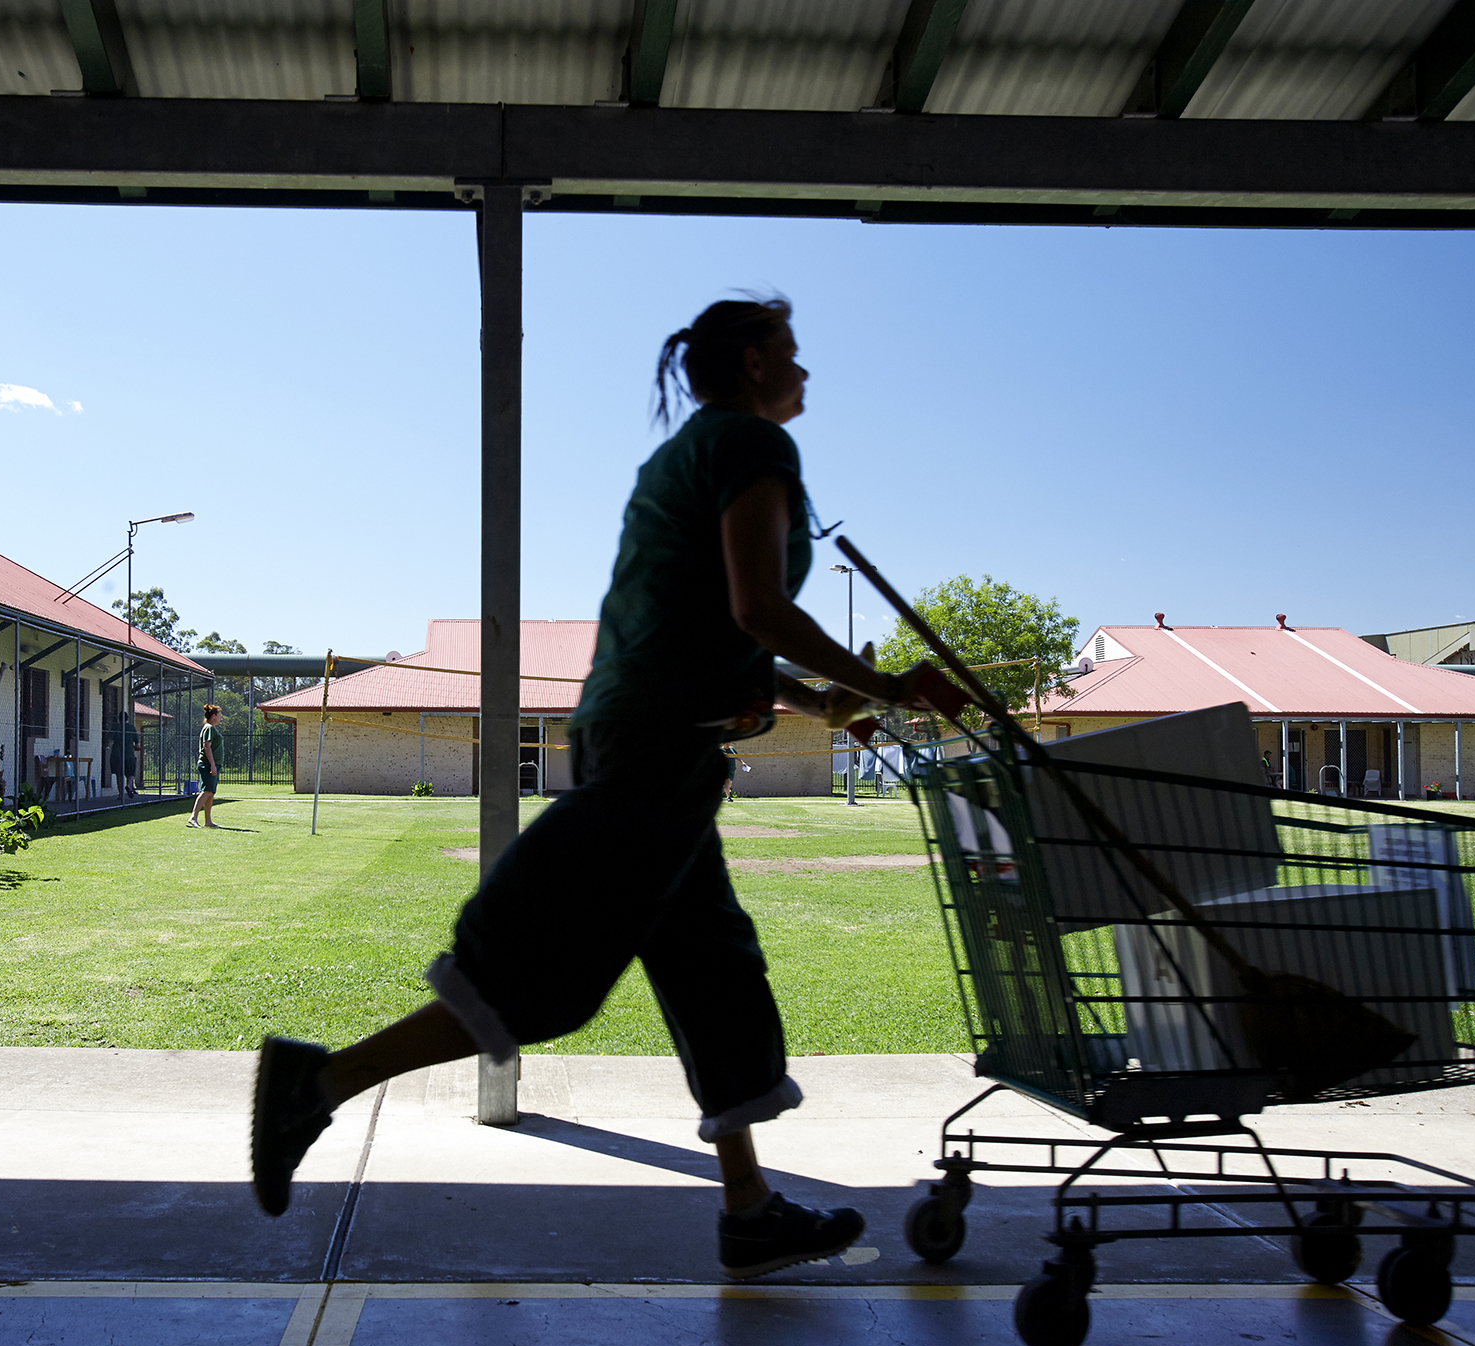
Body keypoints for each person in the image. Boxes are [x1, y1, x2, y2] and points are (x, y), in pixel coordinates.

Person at [250, 296, 957, 1280]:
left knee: (714, 970)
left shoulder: (681, 458)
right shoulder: (754, 444)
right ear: (754, 363)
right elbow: (758, 603)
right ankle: (318, 1080)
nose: (806, 374)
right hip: (661, 744)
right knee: (541, 971)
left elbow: (707, 616)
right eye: (792, 355)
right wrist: (884, 683)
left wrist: (823, 703)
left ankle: (749, 1208)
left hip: (659, 733)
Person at [188, 703, 221, 828]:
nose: (220, 717)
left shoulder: (211, 728)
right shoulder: (209, 728)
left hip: (212, 764)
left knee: (210, 792)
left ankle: (208, 821)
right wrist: (212, 765)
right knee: (206, 791)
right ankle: (193, 817)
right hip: (207, 764)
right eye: (219, 715)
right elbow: (206, 746)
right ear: (213, 716)